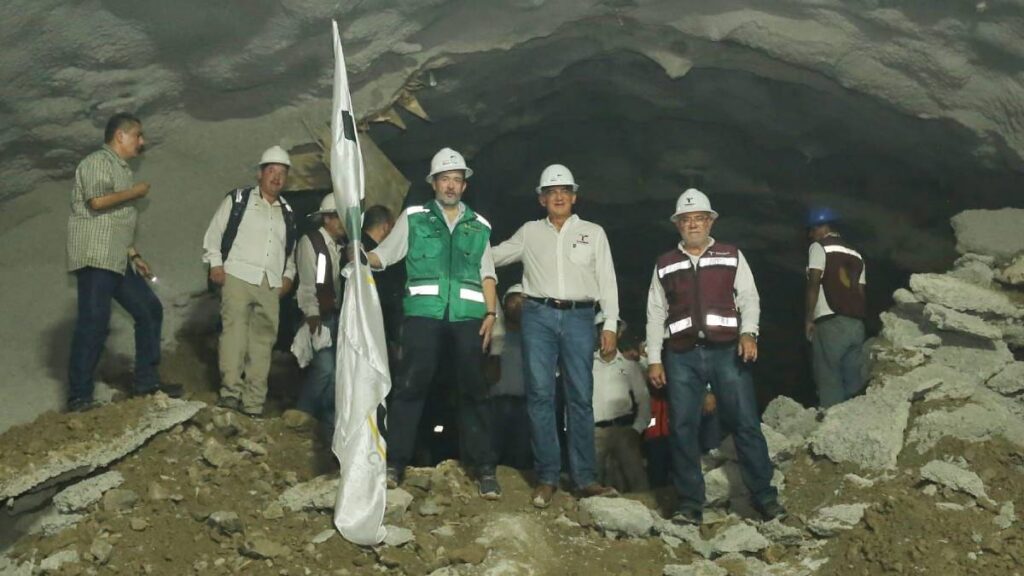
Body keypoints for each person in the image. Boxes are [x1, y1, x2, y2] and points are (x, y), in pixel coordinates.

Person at [364, 147, 501, 499]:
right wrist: (360, 258)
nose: (451, 186)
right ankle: (395, 464)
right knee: (411, 387)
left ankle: (485, 468)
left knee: (474, 390)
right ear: (434, 183)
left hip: (468, 318)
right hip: (423, 315)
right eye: (445, 179)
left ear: (464, 185)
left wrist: (491, 314)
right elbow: (385, 255)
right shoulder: (414, 218)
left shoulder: (479, 226)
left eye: (457, 180)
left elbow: (488, 274)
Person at [645, 188, 784, 525]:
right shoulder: (665, 264)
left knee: (745, 424)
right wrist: (654, 358)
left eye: (698, 218)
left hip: (726, 352)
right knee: (682, 428)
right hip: (682, 355)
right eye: (686, 220)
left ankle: (764, 498)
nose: (693, 224)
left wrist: (749, 333)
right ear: (678, 224)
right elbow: (655, 312)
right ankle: (690, 504)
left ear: (710, 221)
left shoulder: (731, 254)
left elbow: (749, 297)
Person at [492, 163, 619, 508]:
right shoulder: (530, 232)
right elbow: (495, 255)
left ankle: (585, 478)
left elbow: (607, 280)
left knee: (579, 397)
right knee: (540, 395)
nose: (558, 196)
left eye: (564, 191)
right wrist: (461, 251)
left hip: (580, 317)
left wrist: (609, 323)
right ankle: (547, 476)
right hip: (539, 315)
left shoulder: (593, 232)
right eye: (552, 192)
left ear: (574, 197)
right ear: (542, 199)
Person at [66, 113, 183, 412]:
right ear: (120, 136)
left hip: (117, 259)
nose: (141, 142)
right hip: (95, 257)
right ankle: (79, 397)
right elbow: (96, 202)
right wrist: (135, 192)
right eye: (138, 136)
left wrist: (135, 255)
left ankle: (147, 383)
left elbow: (116, 221)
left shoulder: (122, 171)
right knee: (93, 324)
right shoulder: (96, 162)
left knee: (149, 310)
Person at [202, 145, 297, 417]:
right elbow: (214, 234)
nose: (277, 177)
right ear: (260, 173)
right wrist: (216, 264)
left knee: (263, 343)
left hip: (270, 284)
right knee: (234, 336)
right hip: (237, 276)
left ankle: (254, 403)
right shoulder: (239, 199)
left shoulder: (287, 213)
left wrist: (287, 277)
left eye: (282, 173)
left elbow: (288, 251)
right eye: (271, 171)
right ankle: (230, 394)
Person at [293, 193, 347, 433]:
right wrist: (312, 315)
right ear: (327, 218)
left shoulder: (341, 248)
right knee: (324, 368)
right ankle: (302, 410)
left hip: (336, 316)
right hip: (319, 315)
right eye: (339, 217)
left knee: (336, 375)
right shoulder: (312, 243)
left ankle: (327, 424)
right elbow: (307, 282)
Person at [805, 207, 866, 408]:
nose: (810, 235)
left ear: (821, 228)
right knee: (853, 377)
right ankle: (856, 418)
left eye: (812, 230)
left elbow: (814, 283)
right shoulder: (856, 254)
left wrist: (809, 319)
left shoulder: (819, 247)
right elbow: (861, 290)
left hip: (830, 320)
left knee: (828, 375)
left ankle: (831, 426)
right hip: (856, 323)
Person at [591, 313, 651, 494]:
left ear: (619, 333)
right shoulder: (586, 364)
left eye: (610, 329)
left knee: (637, 482)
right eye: (601, 329)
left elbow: (644, 400)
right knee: (591, 481)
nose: (605, 333)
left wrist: (636, 429)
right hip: (593, 432)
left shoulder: (629, 366)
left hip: (624, 431)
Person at [485, 283, 533, 470]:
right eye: (514, 302)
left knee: (521, 456)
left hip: (525, 403)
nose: (518, 307)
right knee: (492, 452)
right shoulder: (495, 335)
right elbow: (488, 373)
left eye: (522, 303)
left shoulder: (535, 338)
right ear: (504, 305)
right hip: (496, 403)